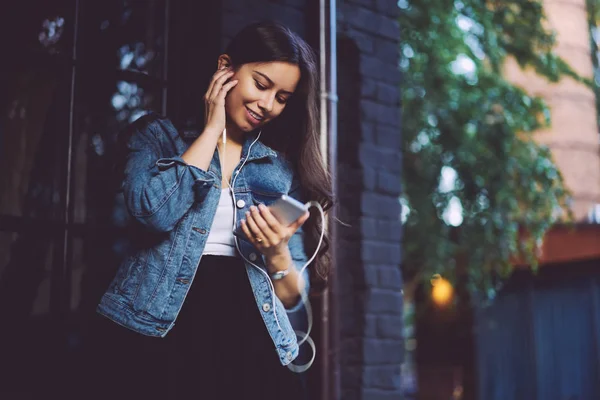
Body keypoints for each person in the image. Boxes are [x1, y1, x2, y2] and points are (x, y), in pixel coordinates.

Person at [93, 21, 332, 399]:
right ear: (226, 68)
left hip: (250, 338)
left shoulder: (280, 171)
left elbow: (291, 296)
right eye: (261, 84)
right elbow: (152, 214)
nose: (267, 105)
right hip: (162, 332)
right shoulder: (156, 137)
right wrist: (210, 132)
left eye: (282, 98)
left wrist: (276, 252)